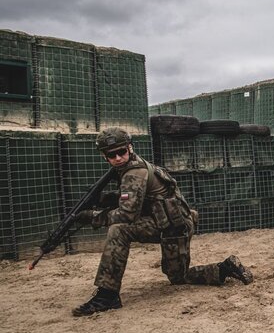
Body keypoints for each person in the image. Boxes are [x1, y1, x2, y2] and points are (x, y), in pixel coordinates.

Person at [72, 127, 253, 316]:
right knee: (179, 278)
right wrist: (104, 199)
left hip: (173, 228)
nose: (117, 158)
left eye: (121, 152)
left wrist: (93, 217)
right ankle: (224, 268)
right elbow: (135, 197)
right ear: (104, 156)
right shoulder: (129, 168)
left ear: (130, 148)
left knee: (119, 230)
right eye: (111, 154)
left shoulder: (134, 172)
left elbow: (127, 214)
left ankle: (107, 295)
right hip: (171, 224)